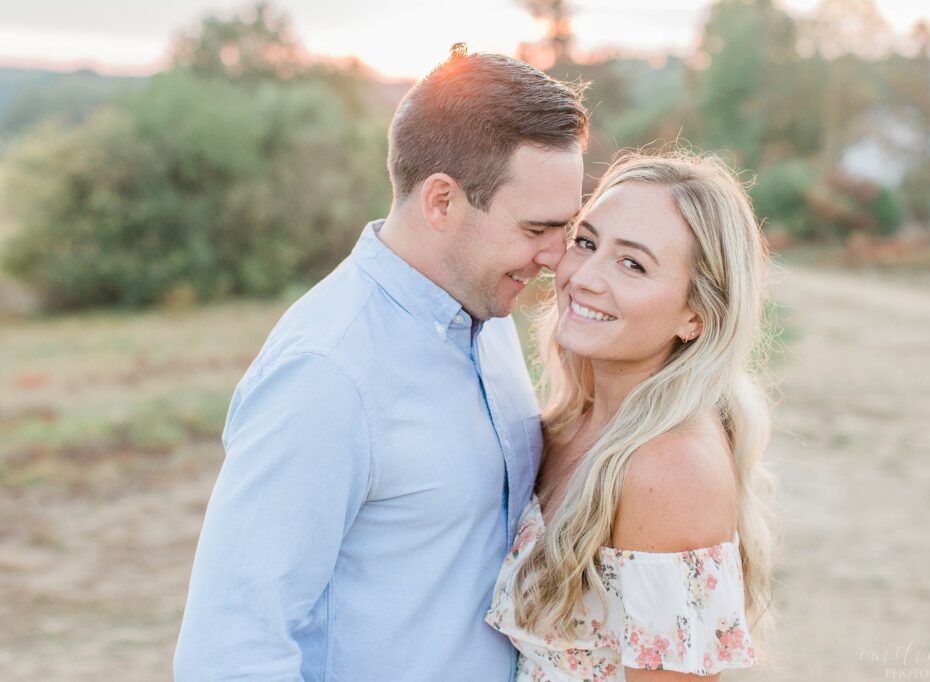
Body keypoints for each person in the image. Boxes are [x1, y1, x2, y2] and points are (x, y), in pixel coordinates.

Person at [174, 46, 588, 681]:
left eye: (566, 228)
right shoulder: (327, 372)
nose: (557, 258)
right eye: (537, 229)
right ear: (442, 202)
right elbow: (230, 652)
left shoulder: (488, 319)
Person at [486, 151, 777, 681]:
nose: (584, 278)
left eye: (633, 264)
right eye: (586, 242)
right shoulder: (570, 422)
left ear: (696, 314)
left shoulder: (671, 470)